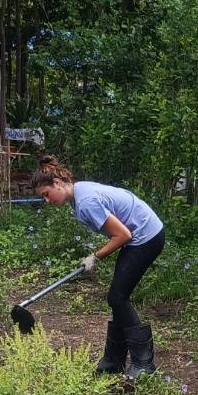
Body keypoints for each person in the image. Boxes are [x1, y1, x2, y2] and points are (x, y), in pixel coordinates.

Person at [31, 155, 164, 379]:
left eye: (46, 195)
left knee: (117, 297)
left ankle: (144, 365)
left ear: (56, 184)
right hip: (139, 236)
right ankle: (113, 361)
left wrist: (95, 256)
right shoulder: (79, 192)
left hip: (146, 236)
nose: (47, 201)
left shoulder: (85, 202)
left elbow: (122, 235)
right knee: (117, 297)